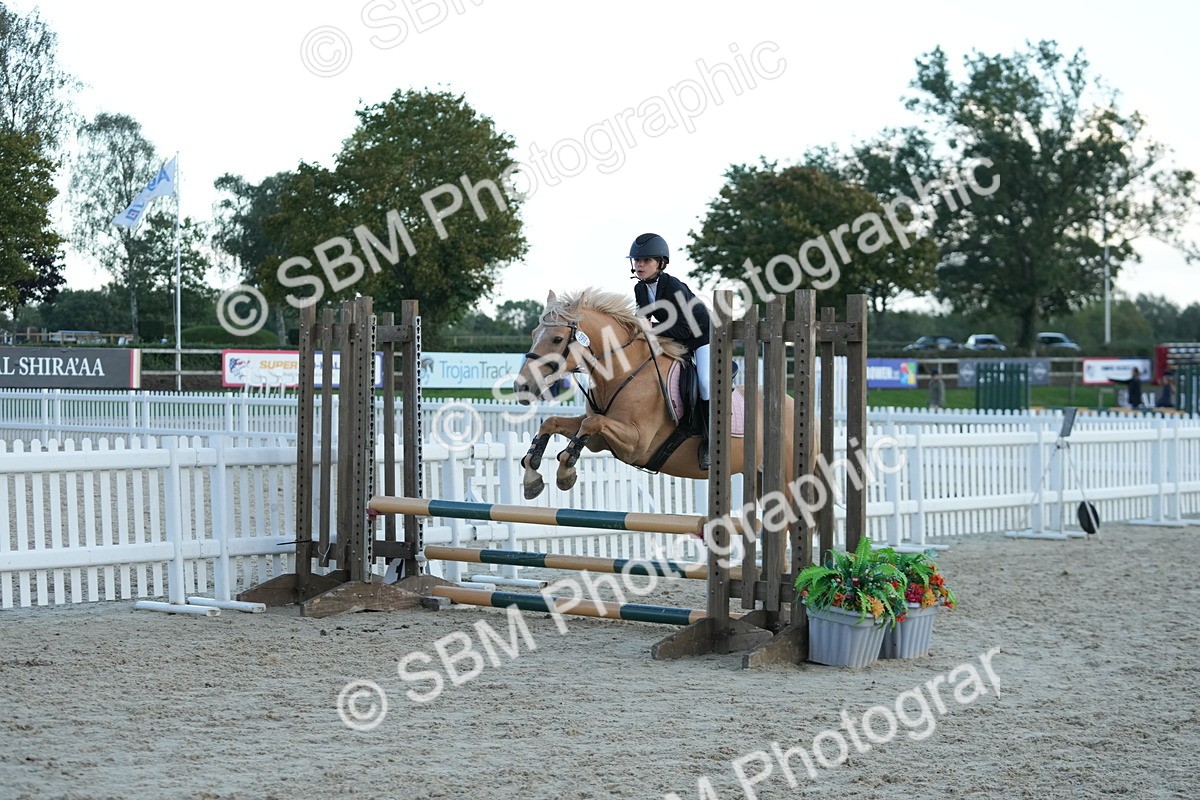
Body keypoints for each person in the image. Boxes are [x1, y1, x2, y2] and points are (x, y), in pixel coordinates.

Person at [628, 232, 713, 470]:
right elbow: (641, 321)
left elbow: (686, 329)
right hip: (677, 337)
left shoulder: (673, 286)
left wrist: (651, 328)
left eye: (646, 260)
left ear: (661, 263)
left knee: (705, 382)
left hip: (702, 336)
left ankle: (710, 441)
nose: (640, 265)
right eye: (637, 261)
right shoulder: (640, 289)